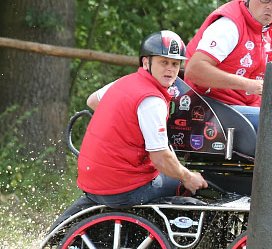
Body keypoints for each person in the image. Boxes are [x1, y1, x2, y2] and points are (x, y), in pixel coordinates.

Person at [76, 30, 207, 208]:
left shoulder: (124, 81)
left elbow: (92, 101)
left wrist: (127, 127)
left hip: (91, 180)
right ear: (146, 62)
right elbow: (161, 159)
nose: (170, 69)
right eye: (164, 62)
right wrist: (189, 178)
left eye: (175, 64)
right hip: (121, 189)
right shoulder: (152, 101)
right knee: (189, 185)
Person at [184, 0, 272, 129]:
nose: (270, 6)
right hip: (212, 109)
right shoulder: (229, 26)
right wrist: (249, 85)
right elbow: (194, 70)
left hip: (246, 110)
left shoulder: (271, 33)